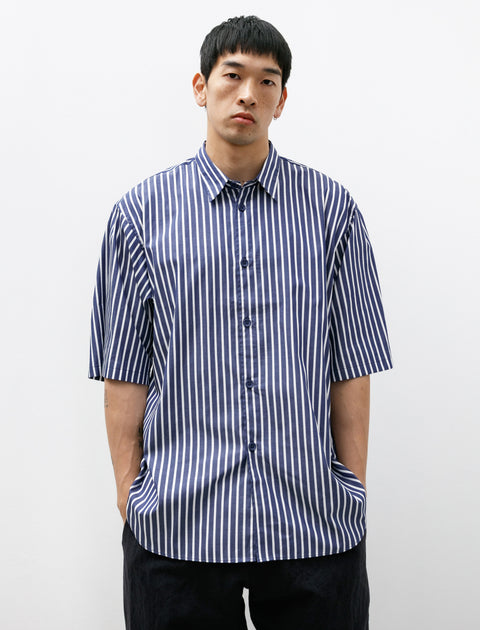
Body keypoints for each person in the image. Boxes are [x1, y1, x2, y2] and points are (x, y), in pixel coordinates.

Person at [89, 15, 392, 630]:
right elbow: (123, 368)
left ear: (283, 99)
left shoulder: (331, 212)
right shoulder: (139, 216)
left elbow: (352, 361)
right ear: (201, 87)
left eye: (267, 81)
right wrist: (129, 492)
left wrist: (351, 487)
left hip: (312, 523)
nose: (248, 93)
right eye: (233, 75)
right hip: (178, 527)